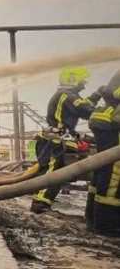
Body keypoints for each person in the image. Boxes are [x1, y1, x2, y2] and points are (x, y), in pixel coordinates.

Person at [31, 66, 102, 213]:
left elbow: (82, 106)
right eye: (82, 80)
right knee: (52, 173)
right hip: (55, 143)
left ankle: (42, 203)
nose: (85, 83)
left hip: (55, 141)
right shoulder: (66, 95)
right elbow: (86, 111)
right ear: (72, 80)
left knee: (54, 172)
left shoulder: (66, 95)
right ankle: (39, 204)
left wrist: (96, 95)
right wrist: (104, 107)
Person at [85, 69, 120, 236]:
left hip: (106, 119)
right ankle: (107, 226)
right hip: (114, 122)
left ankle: (92, 219)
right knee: (114, 171)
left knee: (102, 168)